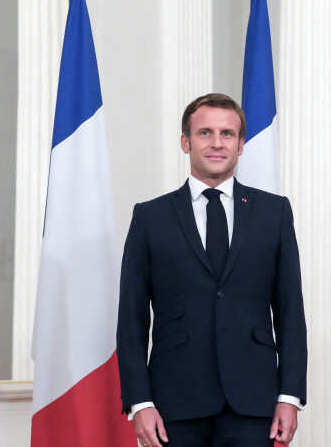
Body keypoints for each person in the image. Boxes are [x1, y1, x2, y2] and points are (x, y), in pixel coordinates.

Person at [117, 93, 307, 447]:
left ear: (241, 144)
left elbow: (291, 312)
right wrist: (140, 402)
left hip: (255, 403)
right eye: (205, 133)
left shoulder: (274, 213)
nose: (217, 143)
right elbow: (131, 319)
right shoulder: (149, 217)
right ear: (186, 143)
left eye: (227, 134)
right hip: (173, 403)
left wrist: (290, 396)